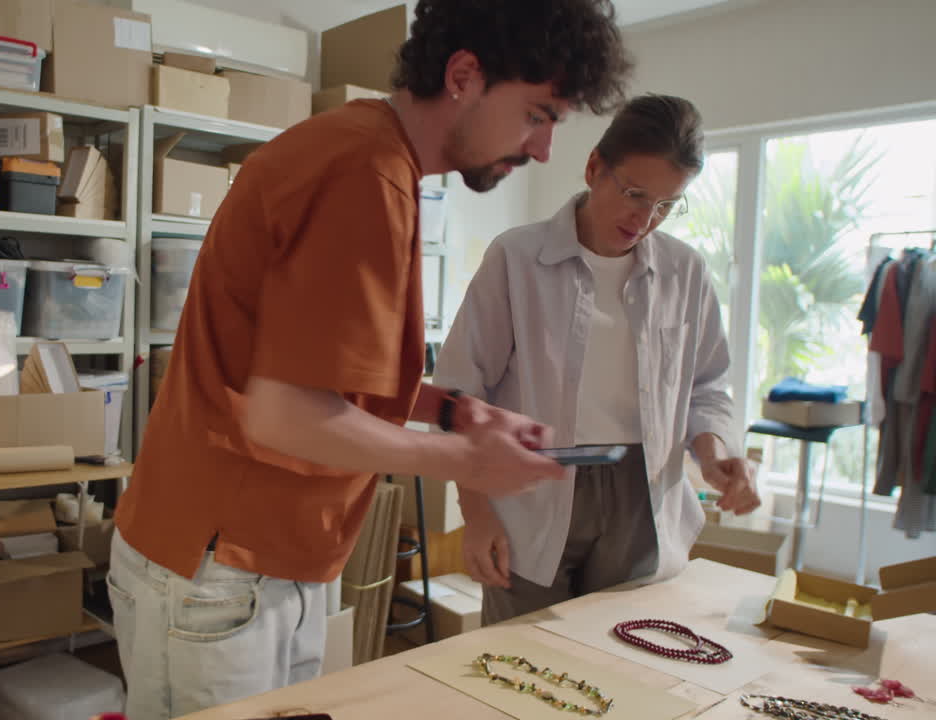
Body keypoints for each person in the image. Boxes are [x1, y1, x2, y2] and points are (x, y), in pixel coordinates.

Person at [107, 1, 633, 718]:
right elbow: (286, 416)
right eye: (537, 115)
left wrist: (453, 411)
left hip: (260, 560)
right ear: (464, 75)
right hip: (220, 562)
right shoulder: (365, 174)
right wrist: (466, 464)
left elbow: (318, 368)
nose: (542, 150)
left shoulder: (376, 161)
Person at [434, 94, 762, 625]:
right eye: (635, 193)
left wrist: (715, 450)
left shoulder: (686, 272)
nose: (645, 218)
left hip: (644, 491)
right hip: (533, 485)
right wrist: (475, 513)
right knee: (519, 662)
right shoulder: (517, 259)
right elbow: (460, 394)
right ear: (594, 168)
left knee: (621, 656)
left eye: (666, 204)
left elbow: (706, 387)